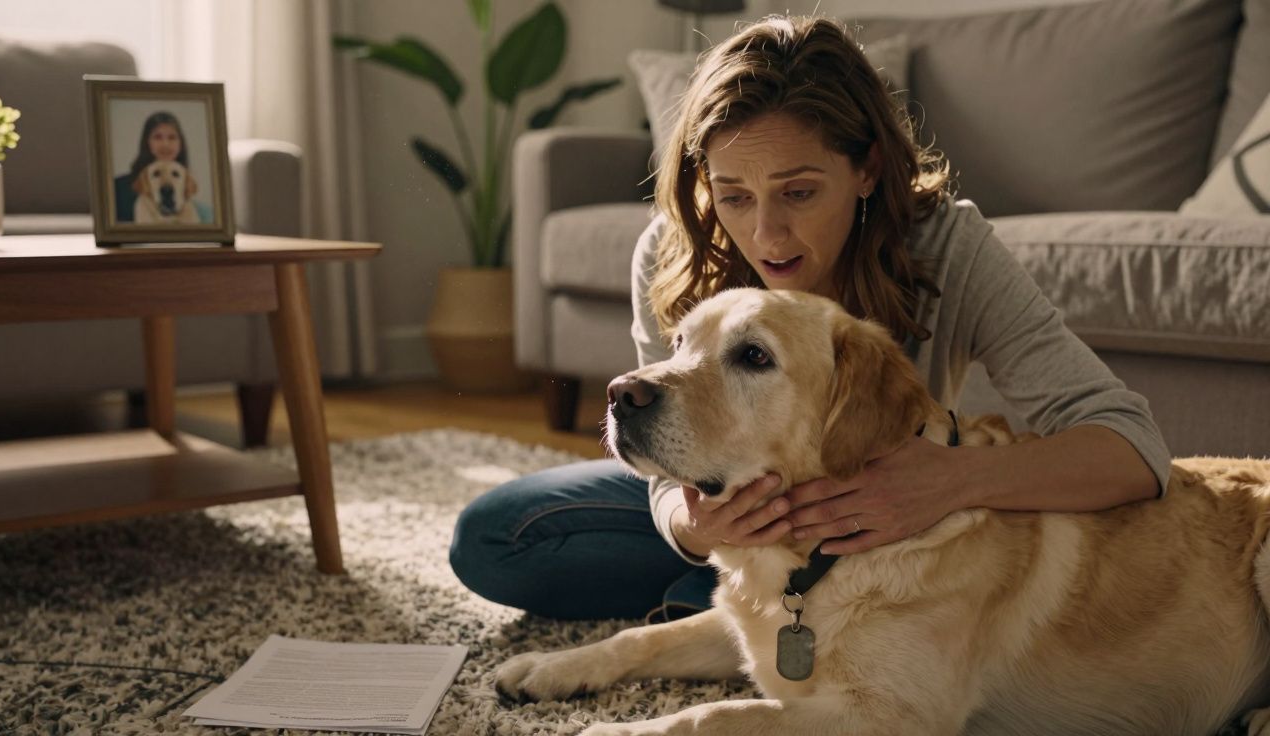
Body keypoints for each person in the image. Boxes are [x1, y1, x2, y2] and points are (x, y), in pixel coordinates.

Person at [449, 15, 1170, 622]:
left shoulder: (948, 245)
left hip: (879, 529)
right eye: (733, 195)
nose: (767, 235)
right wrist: (689, 528)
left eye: (798, 191)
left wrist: (953, 480)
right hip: (737, 518)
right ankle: (724, 599)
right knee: (495, 537)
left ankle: (731, 614)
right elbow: (668, 473)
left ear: (868, 170)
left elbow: (1132, 447)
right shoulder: (672, 252)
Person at [113, 110, 211, 223]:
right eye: (158, 137)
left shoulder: (202, 211)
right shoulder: (118, 189)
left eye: (172, 137)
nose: (165, 144)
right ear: (146, 142)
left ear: (180, 144)